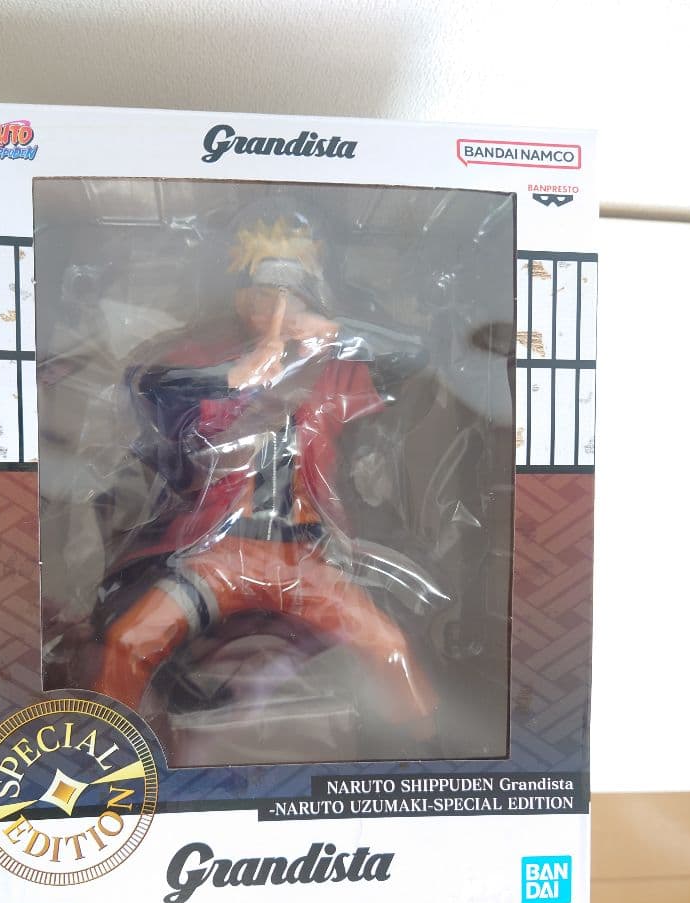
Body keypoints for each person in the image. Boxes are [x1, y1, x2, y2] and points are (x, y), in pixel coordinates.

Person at [91, 214, 444, 739]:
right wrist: (232, 376)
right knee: (129, 639)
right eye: (263, 297)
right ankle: (101, 750)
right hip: (217, 555)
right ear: (240, 301)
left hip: (304, 558)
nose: (277, 313)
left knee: (388, 645)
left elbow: (415, 357)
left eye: (291, 299)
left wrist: (336, 332)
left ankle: (424, 751)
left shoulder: (329, 369)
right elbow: (149, 386)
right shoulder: (205, 364)